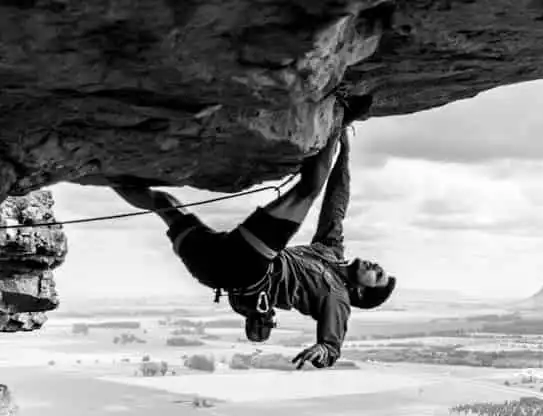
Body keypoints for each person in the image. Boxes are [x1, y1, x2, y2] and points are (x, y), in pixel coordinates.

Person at [110, 127, 395, 369]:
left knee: (306, 190)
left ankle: (338, 117)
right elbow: (336, 204)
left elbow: (332, 345)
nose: (378, 267)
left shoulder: (338, 296)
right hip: (216, 264)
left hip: (247, 266)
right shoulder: (330, 251)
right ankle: (104, 168)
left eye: (378, 277)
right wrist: (344, 155)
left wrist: (325, 350)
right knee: (163, 203)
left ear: (360, 292)